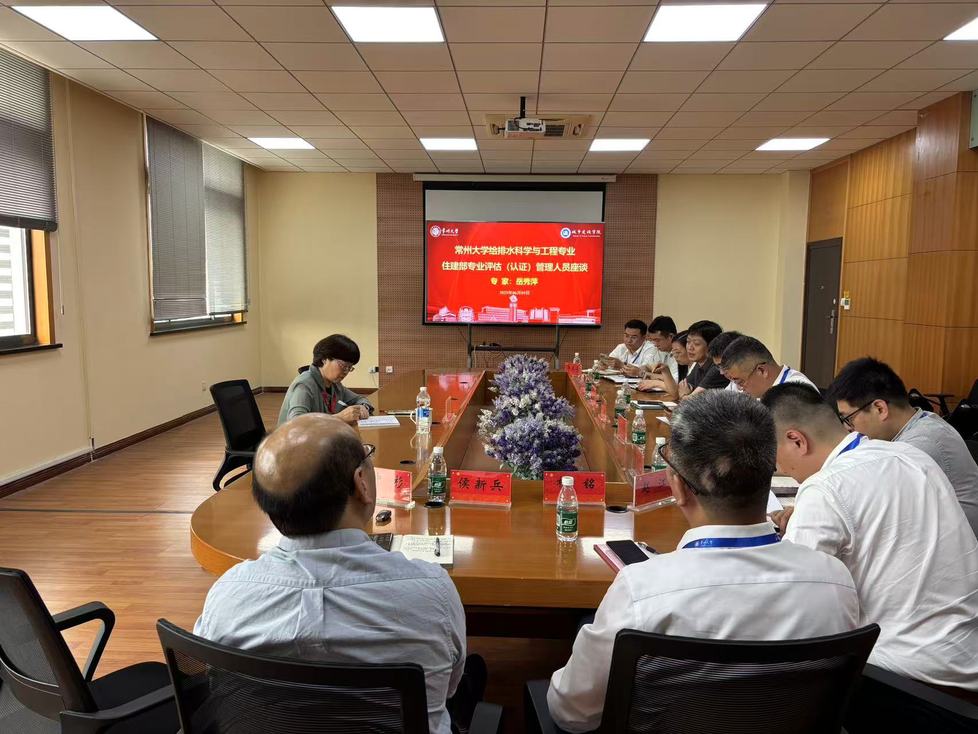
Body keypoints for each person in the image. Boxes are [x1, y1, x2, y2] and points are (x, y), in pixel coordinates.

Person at [547, 391, 859, 732]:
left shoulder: (643, 591)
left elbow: (572, 712)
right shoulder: (835, 581)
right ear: (770, 473)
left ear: (677, 487)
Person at [195, 414, 481, 733]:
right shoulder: (432, 592)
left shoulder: (226, 595)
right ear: (361, 483)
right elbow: (449, 687)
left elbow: (215, 685)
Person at [762, 384, 978, 692]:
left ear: (797, 440)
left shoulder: (824, 487)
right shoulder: (909, 455)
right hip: (966, 655)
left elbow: (793, 599)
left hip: (906, 675)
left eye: (775, 459)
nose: (780, 468)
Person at [827, 357, 978, 538]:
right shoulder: (920, 421)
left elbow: (867, 502)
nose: (848, 428)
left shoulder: (920, 445)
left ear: (879, 408)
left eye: (849, 418)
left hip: (958, 548)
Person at [278, 334, 374, 426]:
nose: (346, 371)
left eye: (349, 368)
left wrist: (363, 407)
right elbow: (296, 423)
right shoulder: (304, 385)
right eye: (343, 365)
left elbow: (359, 399)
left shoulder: (335, 385)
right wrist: (339, 418)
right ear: (324, 359)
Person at [645, 320, 728, 400]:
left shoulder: (717, 367)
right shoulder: (699, 364)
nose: (690, 347)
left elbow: (689, 400)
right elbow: (677, 392)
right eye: (688, 342)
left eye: (696, 344)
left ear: (711, 345)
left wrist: (684, 395)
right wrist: (665, 370)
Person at [720, 335, 817, 399]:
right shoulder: (761, 388)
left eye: (740, 382)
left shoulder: (797, 393)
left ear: (762, 371)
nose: (740, 389)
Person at [632, 315, 679, 380]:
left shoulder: (680, 353)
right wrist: (636, 370)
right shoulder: (657, 349)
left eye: (657, 340)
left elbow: (674, 380)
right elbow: (648, 366)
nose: (655, 344)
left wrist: (642, 373)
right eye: (652, 340)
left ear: (671, 336)